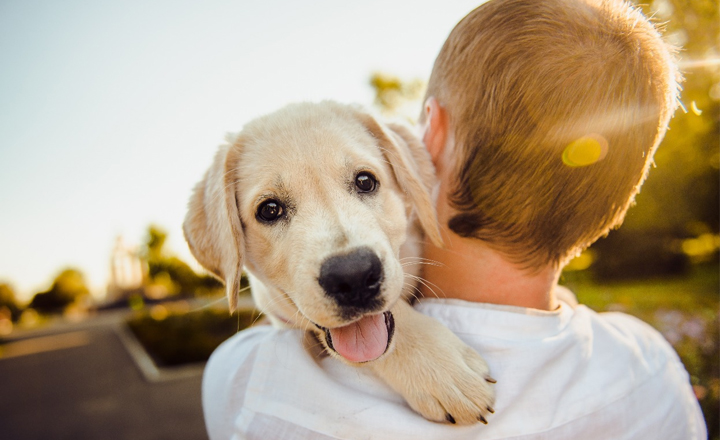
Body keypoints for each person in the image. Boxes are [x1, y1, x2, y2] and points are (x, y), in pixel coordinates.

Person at [202, 0, 707, 438]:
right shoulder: (652, 369)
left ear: (430, 137)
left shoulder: (249, 384)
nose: (348, 254)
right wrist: (403, 341)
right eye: (272, 210)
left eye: (363, 182)